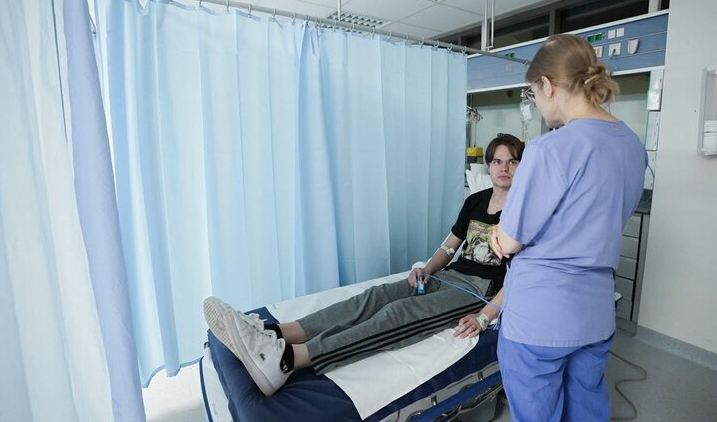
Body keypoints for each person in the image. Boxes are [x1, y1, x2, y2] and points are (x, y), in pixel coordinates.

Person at [205, 134, 524, 396]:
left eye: (512, 161)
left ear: (522, 166)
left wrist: (486, 316)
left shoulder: (524, 212)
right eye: (497, 161)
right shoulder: (475, 201)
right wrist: (426, 268)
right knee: (372, 297)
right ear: (489, 165)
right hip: (448, 275)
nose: (504, 167)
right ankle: (278, 333)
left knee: (397, 314)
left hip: (477, 290)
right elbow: (448, 247)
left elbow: (520, 275)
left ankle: (290, 359)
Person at [490, 34, 646, 422]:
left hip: (540, 317)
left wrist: (499, 236)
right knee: (587, 410)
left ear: (547, 85)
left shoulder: (550, 149)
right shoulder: (631, 144)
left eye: (533, 94)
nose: (537, 104)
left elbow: (509, 240)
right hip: (595, 311)